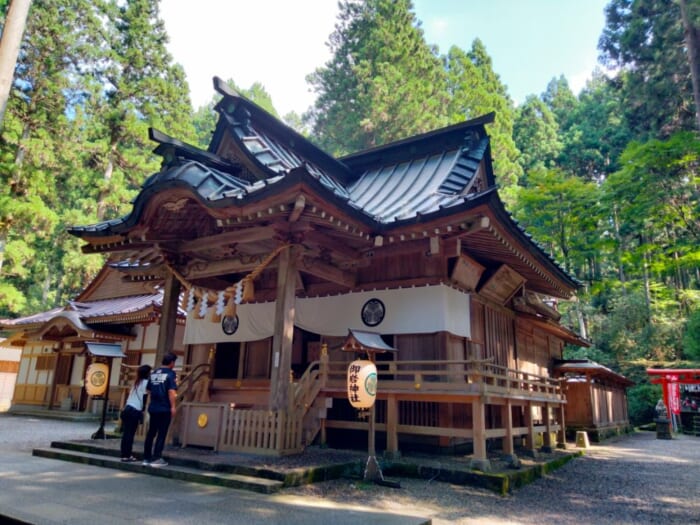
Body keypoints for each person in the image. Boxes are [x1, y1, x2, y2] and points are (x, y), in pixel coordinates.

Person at [143, 352, 178, 467]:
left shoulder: (153, 373)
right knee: (162, 433)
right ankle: (157, 457)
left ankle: (146, 457)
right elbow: (171, 391)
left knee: (151, 432)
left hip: (153, 406)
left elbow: (148, 390)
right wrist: (173, 407)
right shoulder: (171, 374)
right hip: (164, 407)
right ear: (172, 363)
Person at [119, 364, 151, 462]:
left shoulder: (136, 383)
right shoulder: (146, 383)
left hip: (127, 409)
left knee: (126, 434)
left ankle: (124, 454)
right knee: (130, 434)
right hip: (134, 410)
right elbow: (147, 396)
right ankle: (127, 455)